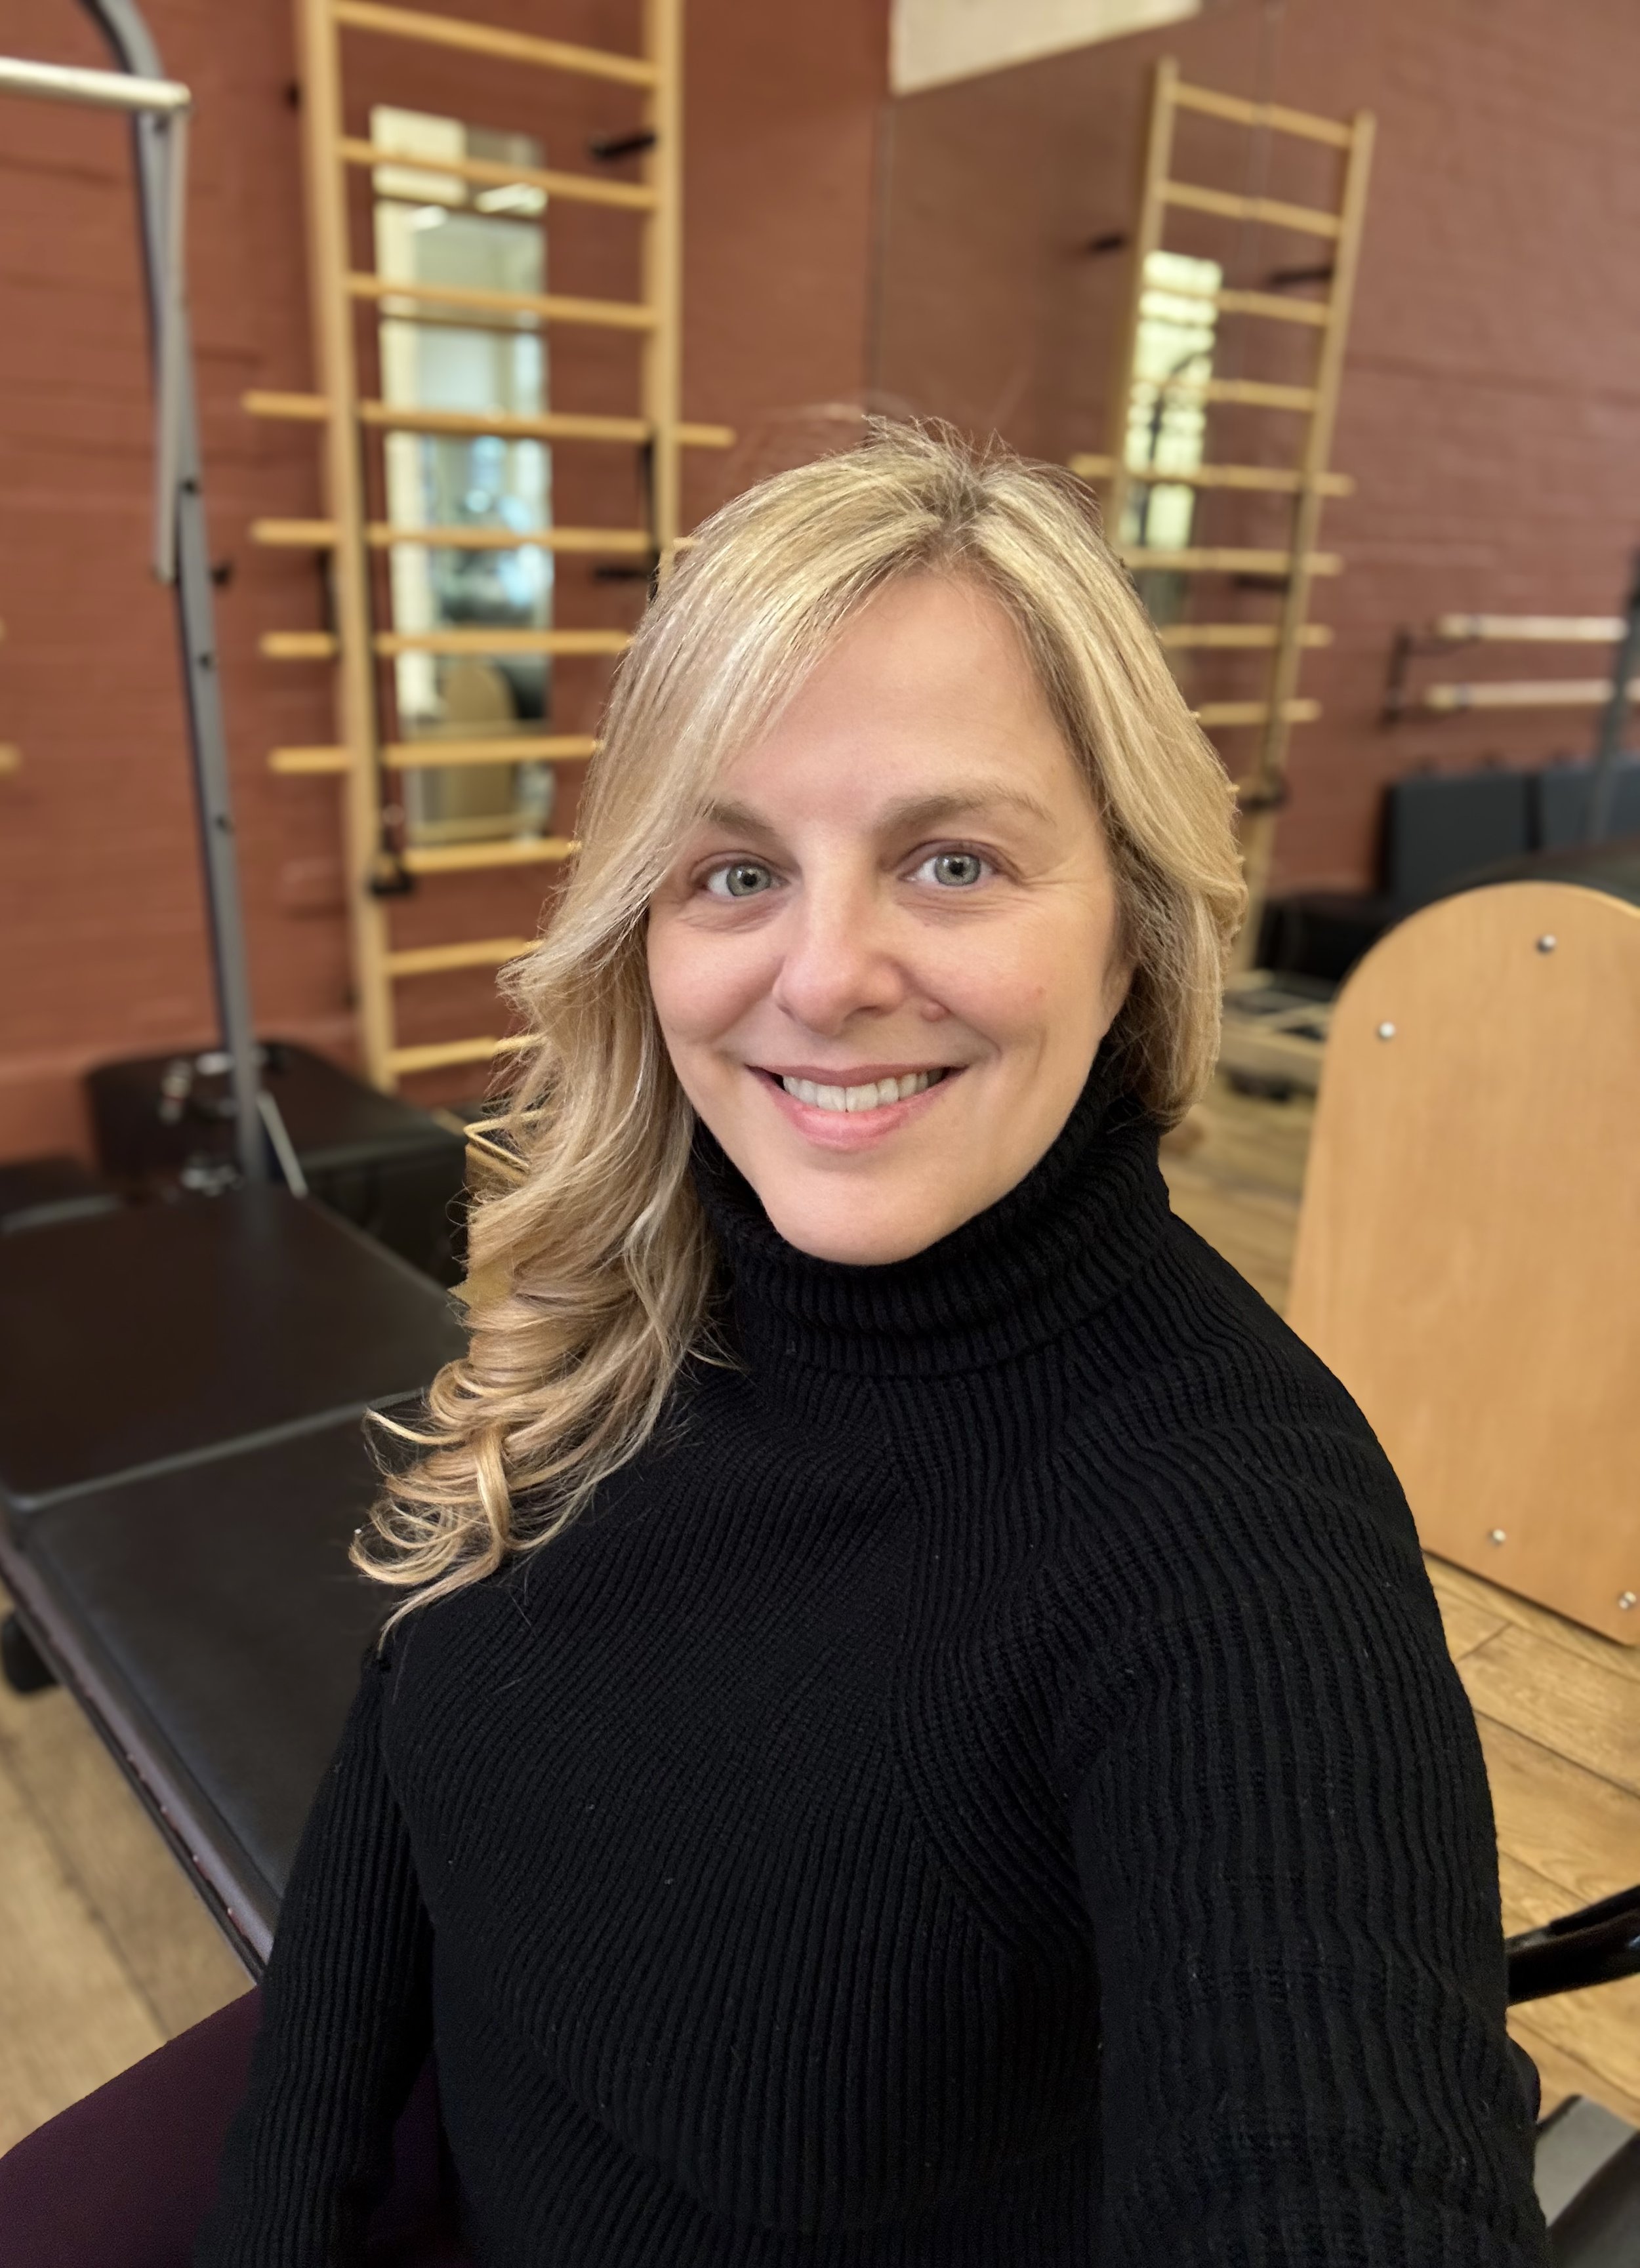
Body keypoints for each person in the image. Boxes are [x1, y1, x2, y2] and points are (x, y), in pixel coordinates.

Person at [188, 424, 1545, 2263]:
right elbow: (407, 1740)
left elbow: (1332, 2148)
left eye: (953, 861)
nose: (823, 974)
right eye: (733, 871)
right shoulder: (636, 1277)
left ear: (1132, 929)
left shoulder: (1236, 1547)